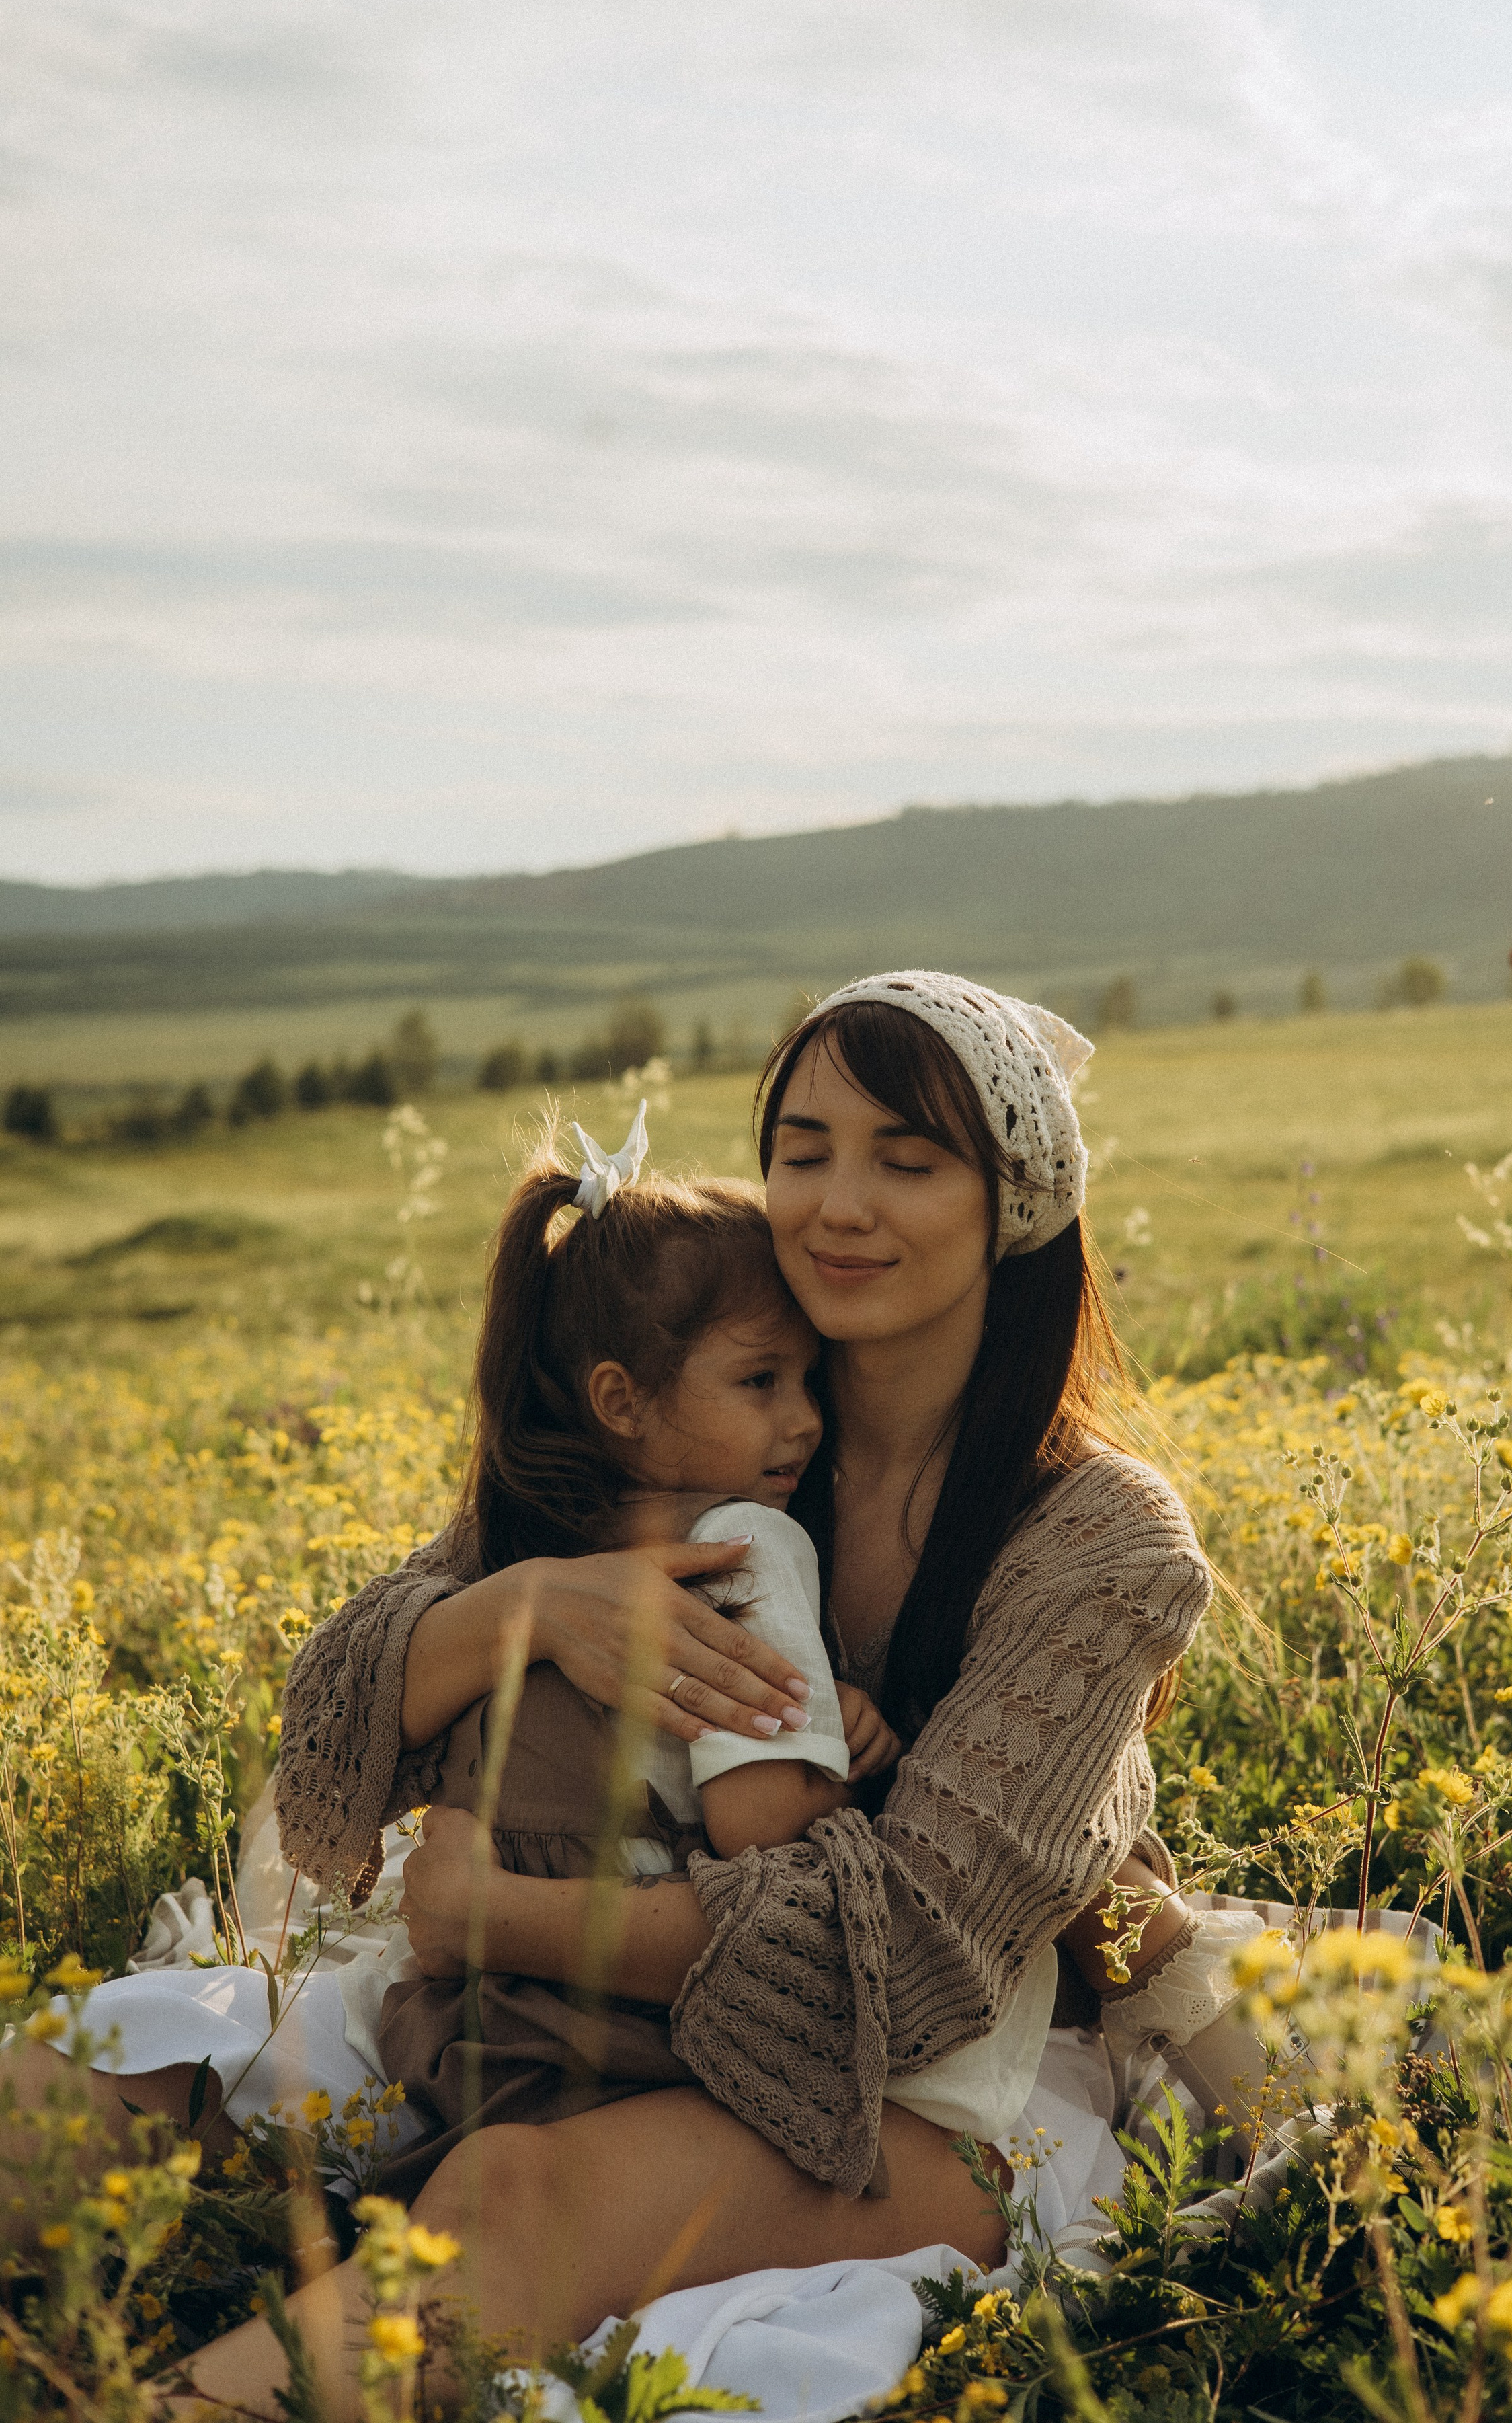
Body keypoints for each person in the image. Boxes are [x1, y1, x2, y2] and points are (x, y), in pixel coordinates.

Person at [20, 970, 1212, 2416]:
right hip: (564, 2014)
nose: (837, 1204)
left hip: (918, 2093)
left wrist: (507, 1915)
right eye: (801, 1150)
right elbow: (342, 1684)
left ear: (1011, 1203)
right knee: (79, 2082)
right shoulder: (719, 1404)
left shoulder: (1096, 1535)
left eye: (907, 1162)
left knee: (514, 2195)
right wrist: (525, 1608)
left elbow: (904, 1966)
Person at [357, 1132, 1060, 2189]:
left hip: (462, 2031)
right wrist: (848, 1759)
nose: (805, 1421)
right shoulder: (751, 1544)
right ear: (620, 1400)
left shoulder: (537, 1531)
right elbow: (757, 1818)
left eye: (808, 1381)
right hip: (628, 2044)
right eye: (761, 1381)